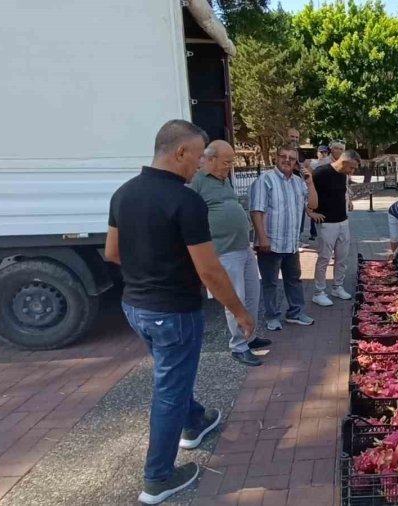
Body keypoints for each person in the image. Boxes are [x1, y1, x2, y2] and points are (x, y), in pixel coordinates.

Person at [106, 120, 255, 504]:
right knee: (169, 389)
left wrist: (149, 270)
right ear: (180, 153)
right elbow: (209, 269)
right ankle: (157, 479)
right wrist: (239, 311)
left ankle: (195, 421)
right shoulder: (186, 200)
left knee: (172, 372)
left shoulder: (123, 194)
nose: (200, 164)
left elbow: (113, 253)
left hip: (135, 307)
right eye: (199, 156)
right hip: (172, 310)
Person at [189, 140, 269, 367]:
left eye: (231, 162)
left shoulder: (224, 179)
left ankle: (250, 337)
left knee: (253, 295)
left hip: (243, 247)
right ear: (210, 159)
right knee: (236, 299)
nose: (230, 167)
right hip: (224, 250)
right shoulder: (197, 182)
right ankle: (239, 346)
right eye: (226, 162)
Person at [250, 145, 318, 332]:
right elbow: (256, 211)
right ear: (276, 158)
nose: (287, 160)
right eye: (283, 156)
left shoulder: (298, 182)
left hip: (290, 242)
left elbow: (313, 205)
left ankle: (295, 313)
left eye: (292, 158)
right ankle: (272, 316)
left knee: (294, 279)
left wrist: (310, 182)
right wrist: (262, 238)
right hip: (270, 242)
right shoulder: (265, 181)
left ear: (296, 162)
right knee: (270, 282)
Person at [310, 150, 360, 307]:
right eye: (351, 168)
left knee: (342, 258)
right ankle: (319, 292)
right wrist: (310, 212)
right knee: (324, 258)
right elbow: (306, 192)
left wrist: (349, 201)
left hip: (343, 221)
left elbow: (344, 191)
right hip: (326, 222)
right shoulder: (321, 173)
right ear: (344, 163)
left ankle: (337, 287)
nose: (352, 172)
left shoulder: (343, 175)